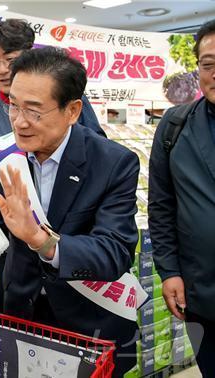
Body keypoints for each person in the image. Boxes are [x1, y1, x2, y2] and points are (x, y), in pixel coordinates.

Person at [0, 47, 139, 376]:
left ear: (72, 110)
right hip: (22, 313)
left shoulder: (113, 163)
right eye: (13, 106)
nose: (19, 122)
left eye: (34, 111)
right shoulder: (0, 153)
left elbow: (115, 252)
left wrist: (43, 241)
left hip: (87, 322)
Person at [0, 19, 105, 312]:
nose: (2, 69)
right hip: (15, 253)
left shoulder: (67, 100)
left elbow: (97, 157)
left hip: (71, 243)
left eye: (11, 60)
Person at [148, 19, 215, 377]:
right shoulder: (176, 126)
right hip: (201, 292)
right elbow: (161, 205)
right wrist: (169, 271)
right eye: (209, 64)